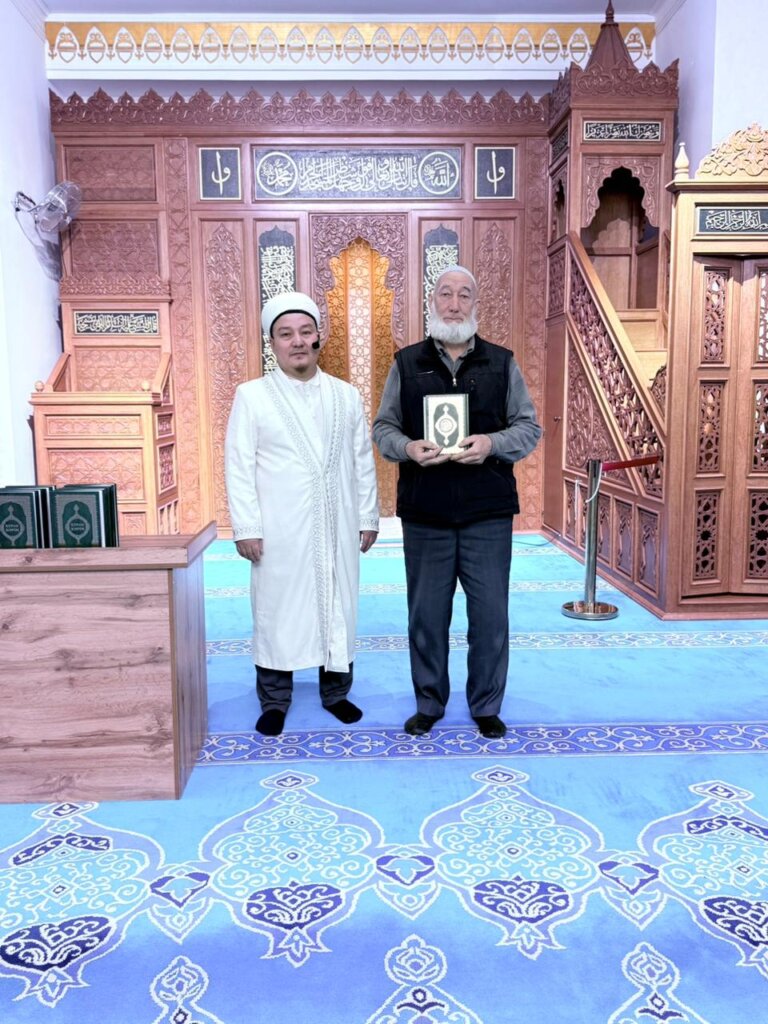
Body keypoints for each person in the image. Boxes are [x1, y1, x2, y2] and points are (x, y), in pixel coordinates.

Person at [372, 265, 541, 739]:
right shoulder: (406, 363)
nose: (453, 304)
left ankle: (486, 704)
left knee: (490, 617)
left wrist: (491, 444)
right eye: (445, 294)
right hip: (425, 513)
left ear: (475, 305)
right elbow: (383, 429)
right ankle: (429, 701)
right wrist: (408, 448)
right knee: (426, 616)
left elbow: (528, 428)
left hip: (487, 512)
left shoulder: (501, 363)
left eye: (464, 295)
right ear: (432, 302)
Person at [225, 291, 379, 736]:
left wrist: (367, 516)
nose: (297, 341)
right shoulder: (252, 396)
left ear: (318, 337)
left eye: (305, 332)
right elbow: (239, 465)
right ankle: (275, 701)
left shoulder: (346, 395)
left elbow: (361, 460)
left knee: (338, 605)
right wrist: (247, 527)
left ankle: (336, 694)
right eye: (286, 334)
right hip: (279, 528)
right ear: (272, 343)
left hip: (337, 523)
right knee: (278, 611)